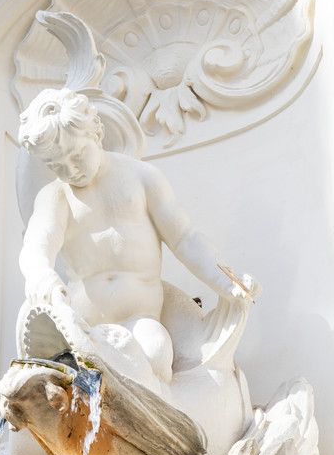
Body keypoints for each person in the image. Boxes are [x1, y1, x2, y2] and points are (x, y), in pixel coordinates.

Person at [17, 87, 253, 385]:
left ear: (95, 132)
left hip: (139, 322)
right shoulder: (56, 197)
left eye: (77, 155)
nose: (70, 170)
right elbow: (37, 246)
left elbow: (185, 238)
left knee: (155, 353)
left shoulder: (142, 178)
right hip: (83, 329)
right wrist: (42, 279)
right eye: (56, 165)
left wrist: (225, 281)